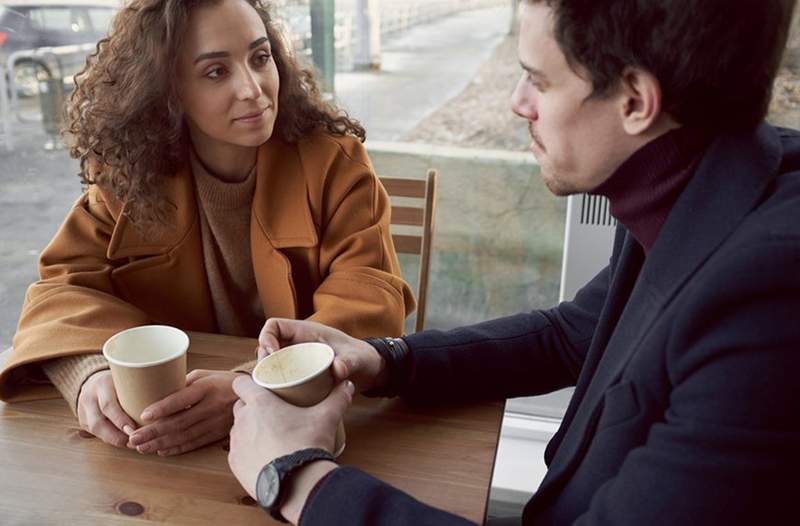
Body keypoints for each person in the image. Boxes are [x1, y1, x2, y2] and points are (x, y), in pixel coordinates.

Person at [226, 0, 800, 524]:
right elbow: (572, 334)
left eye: (537, 80)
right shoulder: (704, 188)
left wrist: (297, 477)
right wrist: (382, 360)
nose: (517, 103)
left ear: (635, 100)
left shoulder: (769, 300)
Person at [0, 0, 414, 458]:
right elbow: (60, 290)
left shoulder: (336, 164)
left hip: (309, 435)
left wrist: (250, 386)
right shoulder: (128, 179)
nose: (254, 89)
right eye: (216, 72)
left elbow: (372, 304)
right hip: (163, 443)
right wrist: (88, 371)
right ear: (168, 90)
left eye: (260, 58)